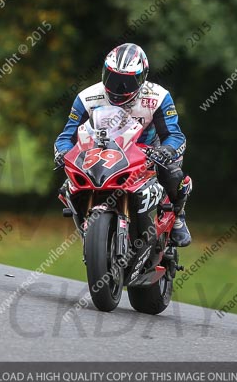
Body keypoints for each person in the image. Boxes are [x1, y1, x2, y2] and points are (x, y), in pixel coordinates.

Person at [53, 43, 192, 247]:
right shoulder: (87, 97)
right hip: (101, 152)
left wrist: (166, 150)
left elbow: (174, 135)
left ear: (142, 78)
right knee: (68, 186)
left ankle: (178, 216)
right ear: (104, 73)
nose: (118, 88)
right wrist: (63, 152)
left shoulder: (158, 96)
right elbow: (66, 136)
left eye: (127, 82)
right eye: (113, 78)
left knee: (172, 172)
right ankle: (88, 229)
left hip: (146, 153)